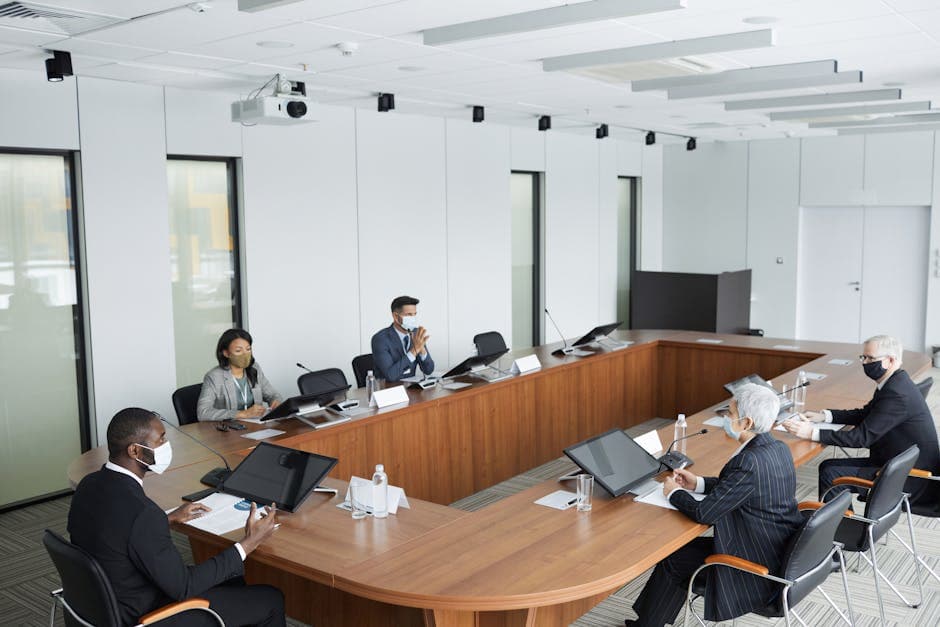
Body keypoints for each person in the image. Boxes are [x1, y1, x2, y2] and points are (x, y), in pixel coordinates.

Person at [68, 408, 285, 626]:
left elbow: (115, 529)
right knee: (271, 598)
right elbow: (184, 587)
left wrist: (166, 519)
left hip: (107, 602)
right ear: (135, 450)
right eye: (160, 440)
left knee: (233, 578)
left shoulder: (89, 485)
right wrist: (248, 543)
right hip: (145, 615)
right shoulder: (143, 513)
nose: (166, 446)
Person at [626, 384, 802, 627]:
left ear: (747, 422)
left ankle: (647, 625)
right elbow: (740, 486)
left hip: (754, 567)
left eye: (730, 413)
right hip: (773, 546)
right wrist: (696, 483)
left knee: (673, 559)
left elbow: (704, 513)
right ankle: (649, 623)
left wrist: (674, 492)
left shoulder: (748, 461)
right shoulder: (776, 447)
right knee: (679, 553)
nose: (725, 419)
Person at [783, 334, 940, 506]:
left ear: (890, 360)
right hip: (896, 463)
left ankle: (840, 528)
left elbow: (860, 438)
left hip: (911, 478)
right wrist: (826, 416)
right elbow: (866, 413)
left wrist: (811, 432)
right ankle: (842, 521)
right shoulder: (895, 382)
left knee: (832, 473)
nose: (864, 363)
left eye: (870, 358)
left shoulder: (896, 394)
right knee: (828, 467)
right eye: (863, 357)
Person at [197, 328, 282, 422]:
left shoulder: (254, 368)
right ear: (226, 353)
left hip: (255, 427)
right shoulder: (214, 377)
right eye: (238, 351)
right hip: (228, 430)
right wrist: (242, 414)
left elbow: (273, 394)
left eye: (248, 349)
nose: (245, 354)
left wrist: (276, 401)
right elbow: (203, 412)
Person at [371, 295, 435, 381]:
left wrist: (422, 350)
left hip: (410, 389)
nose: (413, 318)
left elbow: (429, 370)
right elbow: (391, 376)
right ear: (396, 317)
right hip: (387, 389)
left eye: (414, 314)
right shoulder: (380, 339)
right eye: (409, 315)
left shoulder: (416, 334)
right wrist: (414, 351)